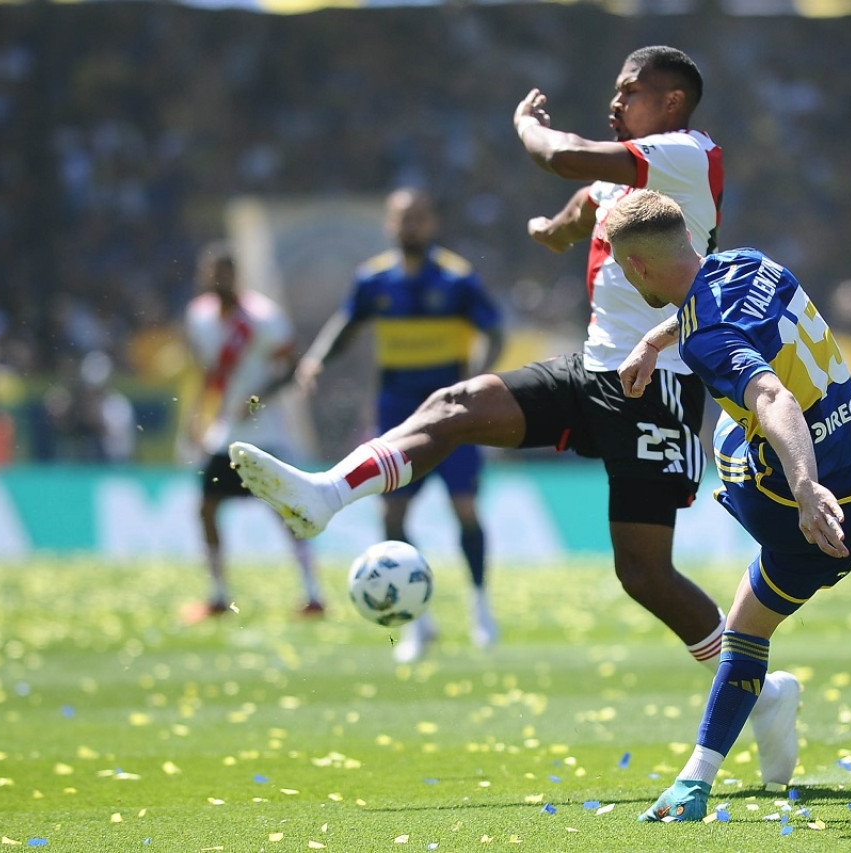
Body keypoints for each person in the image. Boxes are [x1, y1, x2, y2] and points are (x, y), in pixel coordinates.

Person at [227, 45, 801, 789]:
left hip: (658, 382)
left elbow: (564, 159)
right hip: (592, 367)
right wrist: (553, 229)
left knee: (644, 573)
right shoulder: (626, 169)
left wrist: (530, 130)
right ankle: (326, 495)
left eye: (630, 91)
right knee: (455, 405)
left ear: (671, 103)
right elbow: (578, 209)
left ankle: (758, 695)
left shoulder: (686, 157)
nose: (615, 100)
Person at [599, 190, 851, 822]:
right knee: (750, 607)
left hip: (812, 509)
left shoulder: (706, 339)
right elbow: (709, 316)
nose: (626, 276)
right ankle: (769, 715)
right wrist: (653, 341)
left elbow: (772, 396)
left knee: (743, 626)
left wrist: (806, 488)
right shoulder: (746, 263)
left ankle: (694, 782)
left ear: (641, 267)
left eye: (624, 268)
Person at [295, 188, 505, 661]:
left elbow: (495, 330)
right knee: (392, 516)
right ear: (390, 225)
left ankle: (480, 606)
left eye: (418, 218)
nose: (410, 227)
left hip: (452, 412)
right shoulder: (373, 280)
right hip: (396, 412)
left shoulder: (456, 278)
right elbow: (346, 325)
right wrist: (315, 360)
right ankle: (418, 623)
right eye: (402, 219)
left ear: (431, 223)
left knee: (465, 508)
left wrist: (475, 379)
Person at [179, 242, 325, 623]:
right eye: (210, 273)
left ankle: (313, 594)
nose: (216, 280)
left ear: (235, 275)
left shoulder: (263, 319)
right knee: (205, 509)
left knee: (287, 514)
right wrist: (195, 420)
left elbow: (292, 372)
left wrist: (257, 402)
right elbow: (207, 374)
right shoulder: (199, 318)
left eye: (223, 272)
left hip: (267, 435)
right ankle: (218, 595)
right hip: (225, 435)